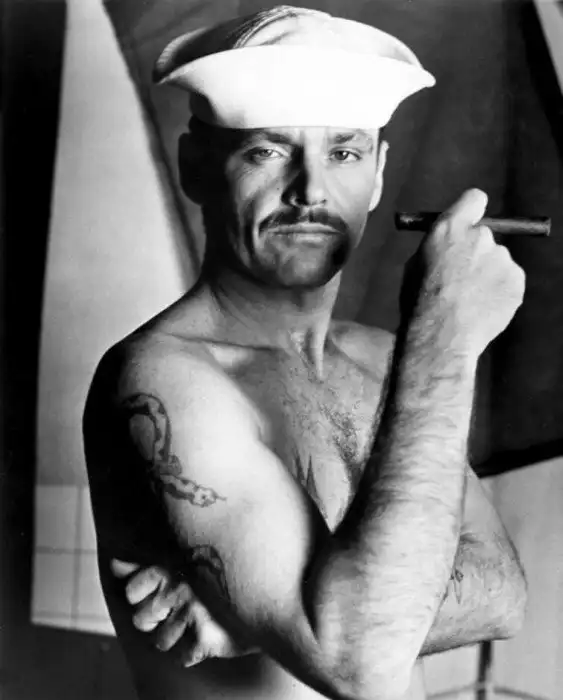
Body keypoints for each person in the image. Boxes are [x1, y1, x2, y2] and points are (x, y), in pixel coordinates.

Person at [83, 6, 528, 700]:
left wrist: (277, 621)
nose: (311, 191)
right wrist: (445, 343)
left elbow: (503, 595)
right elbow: (360, 665)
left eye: (343, 153)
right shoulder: (167, 379)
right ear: (196, 166)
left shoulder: (384, 361)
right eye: (267, 151)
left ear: (377, 175)